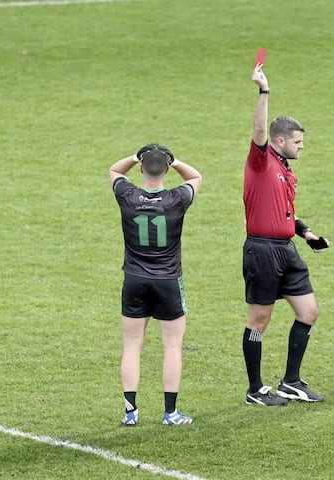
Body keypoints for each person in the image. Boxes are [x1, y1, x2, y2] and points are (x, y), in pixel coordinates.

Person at [241, 60, 329, 407]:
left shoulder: (283, 169)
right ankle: (255, 389)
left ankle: (291, 380)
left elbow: (285, 214)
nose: (301, 146)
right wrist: (264, 91)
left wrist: (307, 233)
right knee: (259, 319)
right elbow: (258, 131)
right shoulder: (261, 160)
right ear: (279, 141)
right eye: (297, 142)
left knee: (308, 311)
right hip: (262, 251)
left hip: (286, 248)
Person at [109, 144, 203, 426]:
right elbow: (195, 177)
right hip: (168, 281)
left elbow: (114, 170)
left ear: (140, 169)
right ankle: (170, 413)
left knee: (131, 346)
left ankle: (130, 413)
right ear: (165, 170)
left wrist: (136, 156)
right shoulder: (176, 199)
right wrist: (174, 161)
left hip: (135, 279)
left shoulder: (128, 195)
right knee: (172, 346)